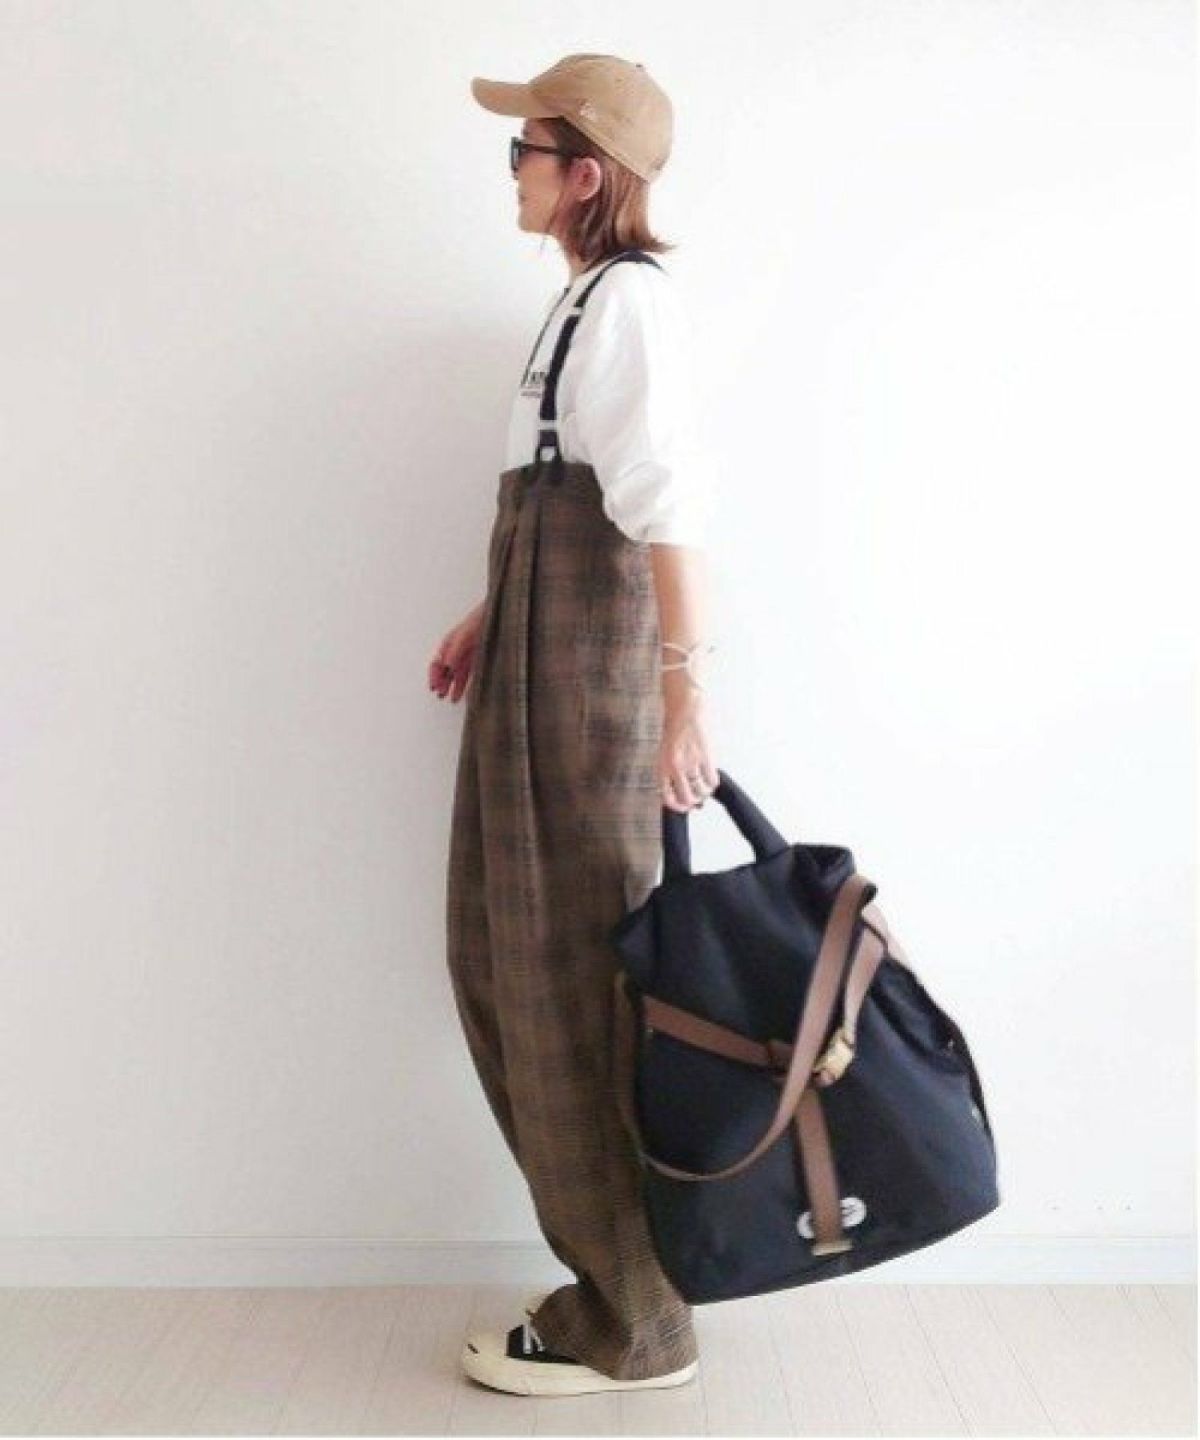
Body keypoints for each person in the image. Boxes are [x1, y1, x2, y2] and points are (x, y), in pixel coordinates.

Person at [429, 54, 718, 1397]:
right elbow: (570, 498)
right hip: (540, 656)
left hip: (590, 682)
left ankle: (636, 1315)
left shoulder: (631, 307)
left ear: (584, 174)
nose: (514, 172)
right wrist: (496, 610)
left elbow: (664, 505)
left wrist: (686, 691)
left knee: (575, 979)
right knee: (503, 954)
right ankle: (613, 1284)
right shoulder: (583, 304)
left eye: (526, 152)